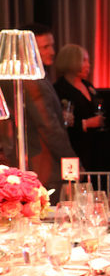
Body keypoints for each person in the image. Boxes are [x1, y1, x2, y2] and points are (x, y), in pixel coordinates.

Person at [0, 24, 75, 191]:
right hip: (41, 164)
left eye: (52, 45)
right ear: (27, 50)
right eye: (45, 47)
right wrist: (71, 160)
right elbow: (48, 127)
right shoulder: (29, 81)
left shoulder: (36, 78)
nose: (52, 51)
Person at [53, 44, 105, 171]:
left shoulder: (87, 85)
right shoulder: (60, 88)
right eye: (84, 60)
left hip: (93, 146)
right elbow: (58, 124)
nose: (89, 65)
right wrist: (86, 123)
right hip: (74, 147)